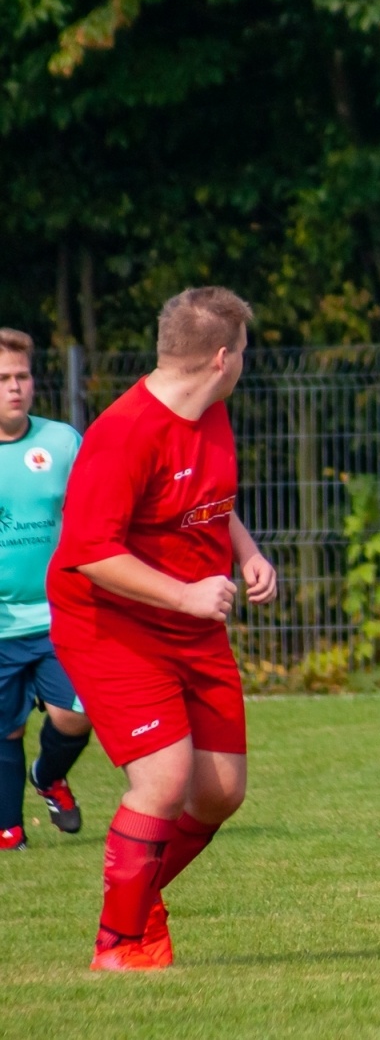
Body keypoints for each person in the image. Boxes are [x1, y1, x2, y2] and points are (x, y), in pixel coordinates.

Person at [47, 287, 278, 970]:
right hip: (110, 624)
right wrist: (184, 594)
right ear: (219, 357)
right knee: (165, 779)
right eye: (242, 352)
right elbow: (91, 552)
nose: (243, 362)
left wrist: (247, 551)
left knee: (220, 792)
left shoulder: (211, 410)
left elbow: (205, 498)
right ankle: (119, 944)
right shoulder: (123, 433)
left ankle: (137, 895)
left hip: (188, 620)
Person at [0, 328, 93, 849]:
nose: (16, 387)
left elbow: (94, 516)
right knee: (4, 729)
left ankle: (49, 776)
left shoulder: (60, 442)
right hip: (1, 627)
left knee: (78, 715)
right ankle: (8, 829)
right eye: (4, 379)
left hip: (61, 615)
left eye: (22, 376)